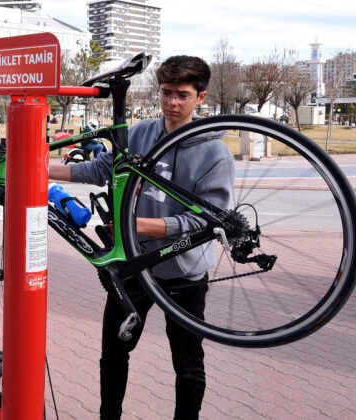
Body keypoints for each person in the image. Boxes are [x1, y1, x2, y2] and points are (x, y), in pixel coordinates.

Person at [49, 55, 235, 420]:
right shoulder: (141, 133)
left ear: (201, 97)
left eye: (183, 95)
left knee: (187, 365)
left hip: (183, 272)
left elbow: (208, 221)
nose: (172, 103)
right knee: (113, 353)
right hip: (132, 264)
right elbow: (101, 168)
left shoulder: (215, 153)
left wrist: (140, 226)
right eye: (166, 92)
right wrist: (39, 168)